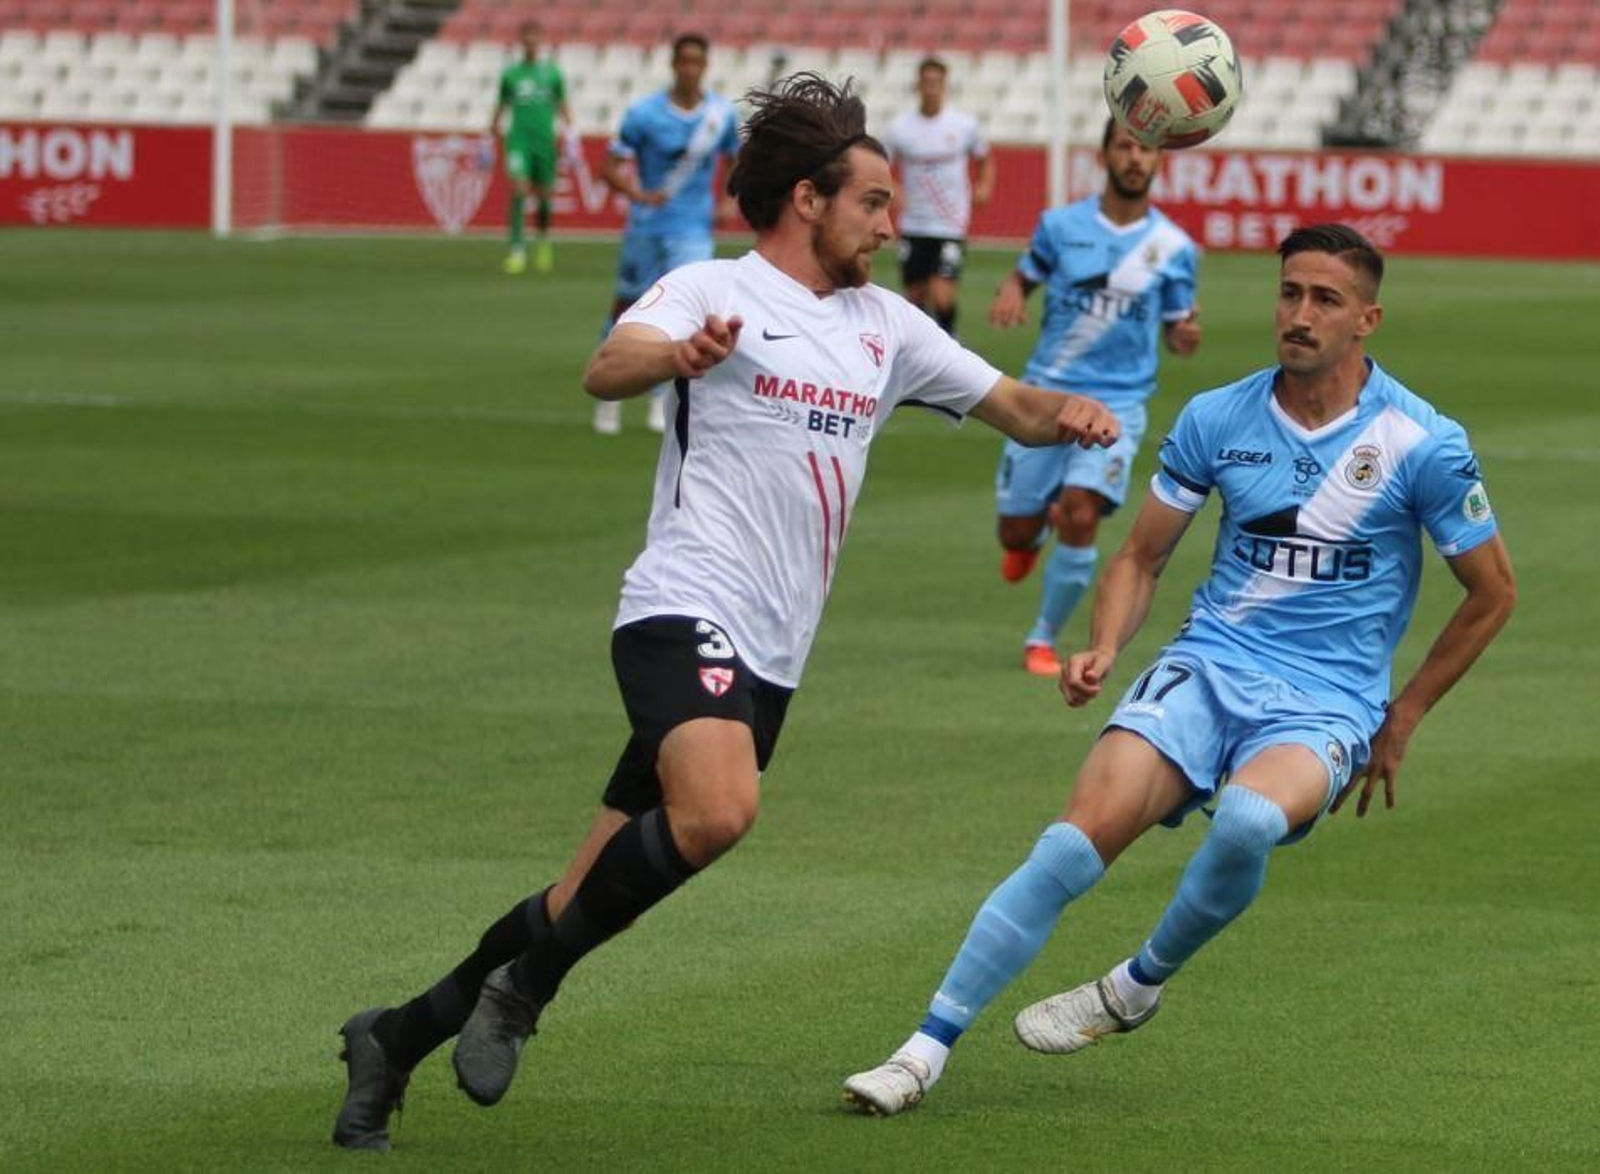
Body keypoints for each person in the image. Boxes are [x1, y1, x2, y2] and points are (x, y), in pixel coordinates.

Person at [330, 73, 1122, 1151]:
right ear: (808, 199)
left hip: (773, 651)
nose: (893, 227)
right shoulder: (708, 285)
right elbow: (606, 365)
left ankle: (393, 1036)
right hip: (681, 604)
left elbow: (1013, 406)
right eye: (874, 204)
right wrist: (682, 352)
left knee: (582, 888)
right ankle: (523, 995)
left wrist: (1067, 413)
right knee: (718, 814)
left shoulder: (885, 327)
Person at [842, 223, 1517, 1117]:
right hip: (1207, 666)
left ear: (1368, 320)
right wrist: (1107, 645)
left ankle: (1135, 984)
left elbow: (1493, 591)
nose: (1300, 314)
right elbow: (1139, 559)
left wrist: (1406, 715)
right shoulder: (1219, 418)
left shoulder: (1422, 441)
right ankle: (922, 1050)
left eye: (1325, 300)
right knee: (1070, 846)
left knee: (1244, 822)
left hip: (1327, 701)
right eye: (1289, 293)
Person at [991, 117, 1201, 678]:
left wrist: (1183, 337)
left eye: (1147, 150)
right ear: (1105, 155)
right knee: (1013, 531)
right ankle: (1030, 533)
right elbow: (1024, 275)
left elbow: (1180, 326)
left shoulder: (1174, 248)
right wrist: (1012, 291)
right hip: (1045, 396)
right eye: (1126, 146)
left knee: (1083, 514)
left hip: (1119, 405)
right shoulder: (1059, 227)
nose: (1136, 158)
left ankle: (1042, 638)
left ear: (1159, 163)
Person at [592, 33, 740, 436]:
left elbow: (735, 159)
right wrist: (639, 194)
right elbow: (608, 168)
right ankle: (609, 395)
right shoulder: (644, 114)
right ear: (674, 65)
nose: (690, 69)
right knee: (626, 307)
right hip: (647, 226)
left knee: (687, 313)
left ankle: (661, 398)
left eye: (698, 62)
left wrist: (728, 198)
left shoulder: (720, 115)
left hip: (693, 230)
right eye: (685, 61)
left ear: (705, 66)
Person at [880, 57, 995, 337]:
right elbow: (878, 165)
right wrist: (892, 189)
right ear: (917, 85)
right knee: (916, 297)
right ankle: (920, 355)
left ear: (945, 85)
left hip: (949, 223)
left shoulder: (964, 125)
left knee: (942, 295)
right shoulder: (898, 127)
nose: (931, 88)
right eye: (926, 82)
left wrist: (984, 185)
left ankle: (949, 344)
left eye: (937, 82)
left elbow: (985, 158)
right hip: (914, 223)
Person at [489, 20, 573, 275]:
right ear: (521, 40)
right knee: (519, 189)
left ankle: (544, 240)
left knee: (544, 196)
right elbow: (501, 105)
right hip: (518, 139)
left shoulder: (552, 73)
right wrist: (490, 132)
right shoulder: (511, 74)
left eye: (535, 37)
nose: (530, 42)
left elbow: (563, 106)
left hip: (545, 140)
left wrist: (572, 135)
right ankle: (517, 250)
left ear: (541, 40)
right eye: (526, 37)